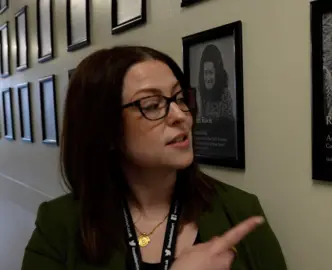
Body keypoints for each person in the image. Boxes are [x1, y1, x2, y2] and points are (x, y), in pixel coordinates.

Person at [21, 46, 287, 270]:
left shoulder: (239, 210)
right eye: (151, 105)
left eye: (180, 98)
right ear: (106, 129)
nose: (180, 116)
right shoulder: (58, 225)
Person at [194, 44, 237, 159]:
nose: (208, 78)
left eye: (211, 73)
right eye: (205, 73)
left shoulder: (225, 96)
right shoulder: (197, 94)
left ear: (217, 73)